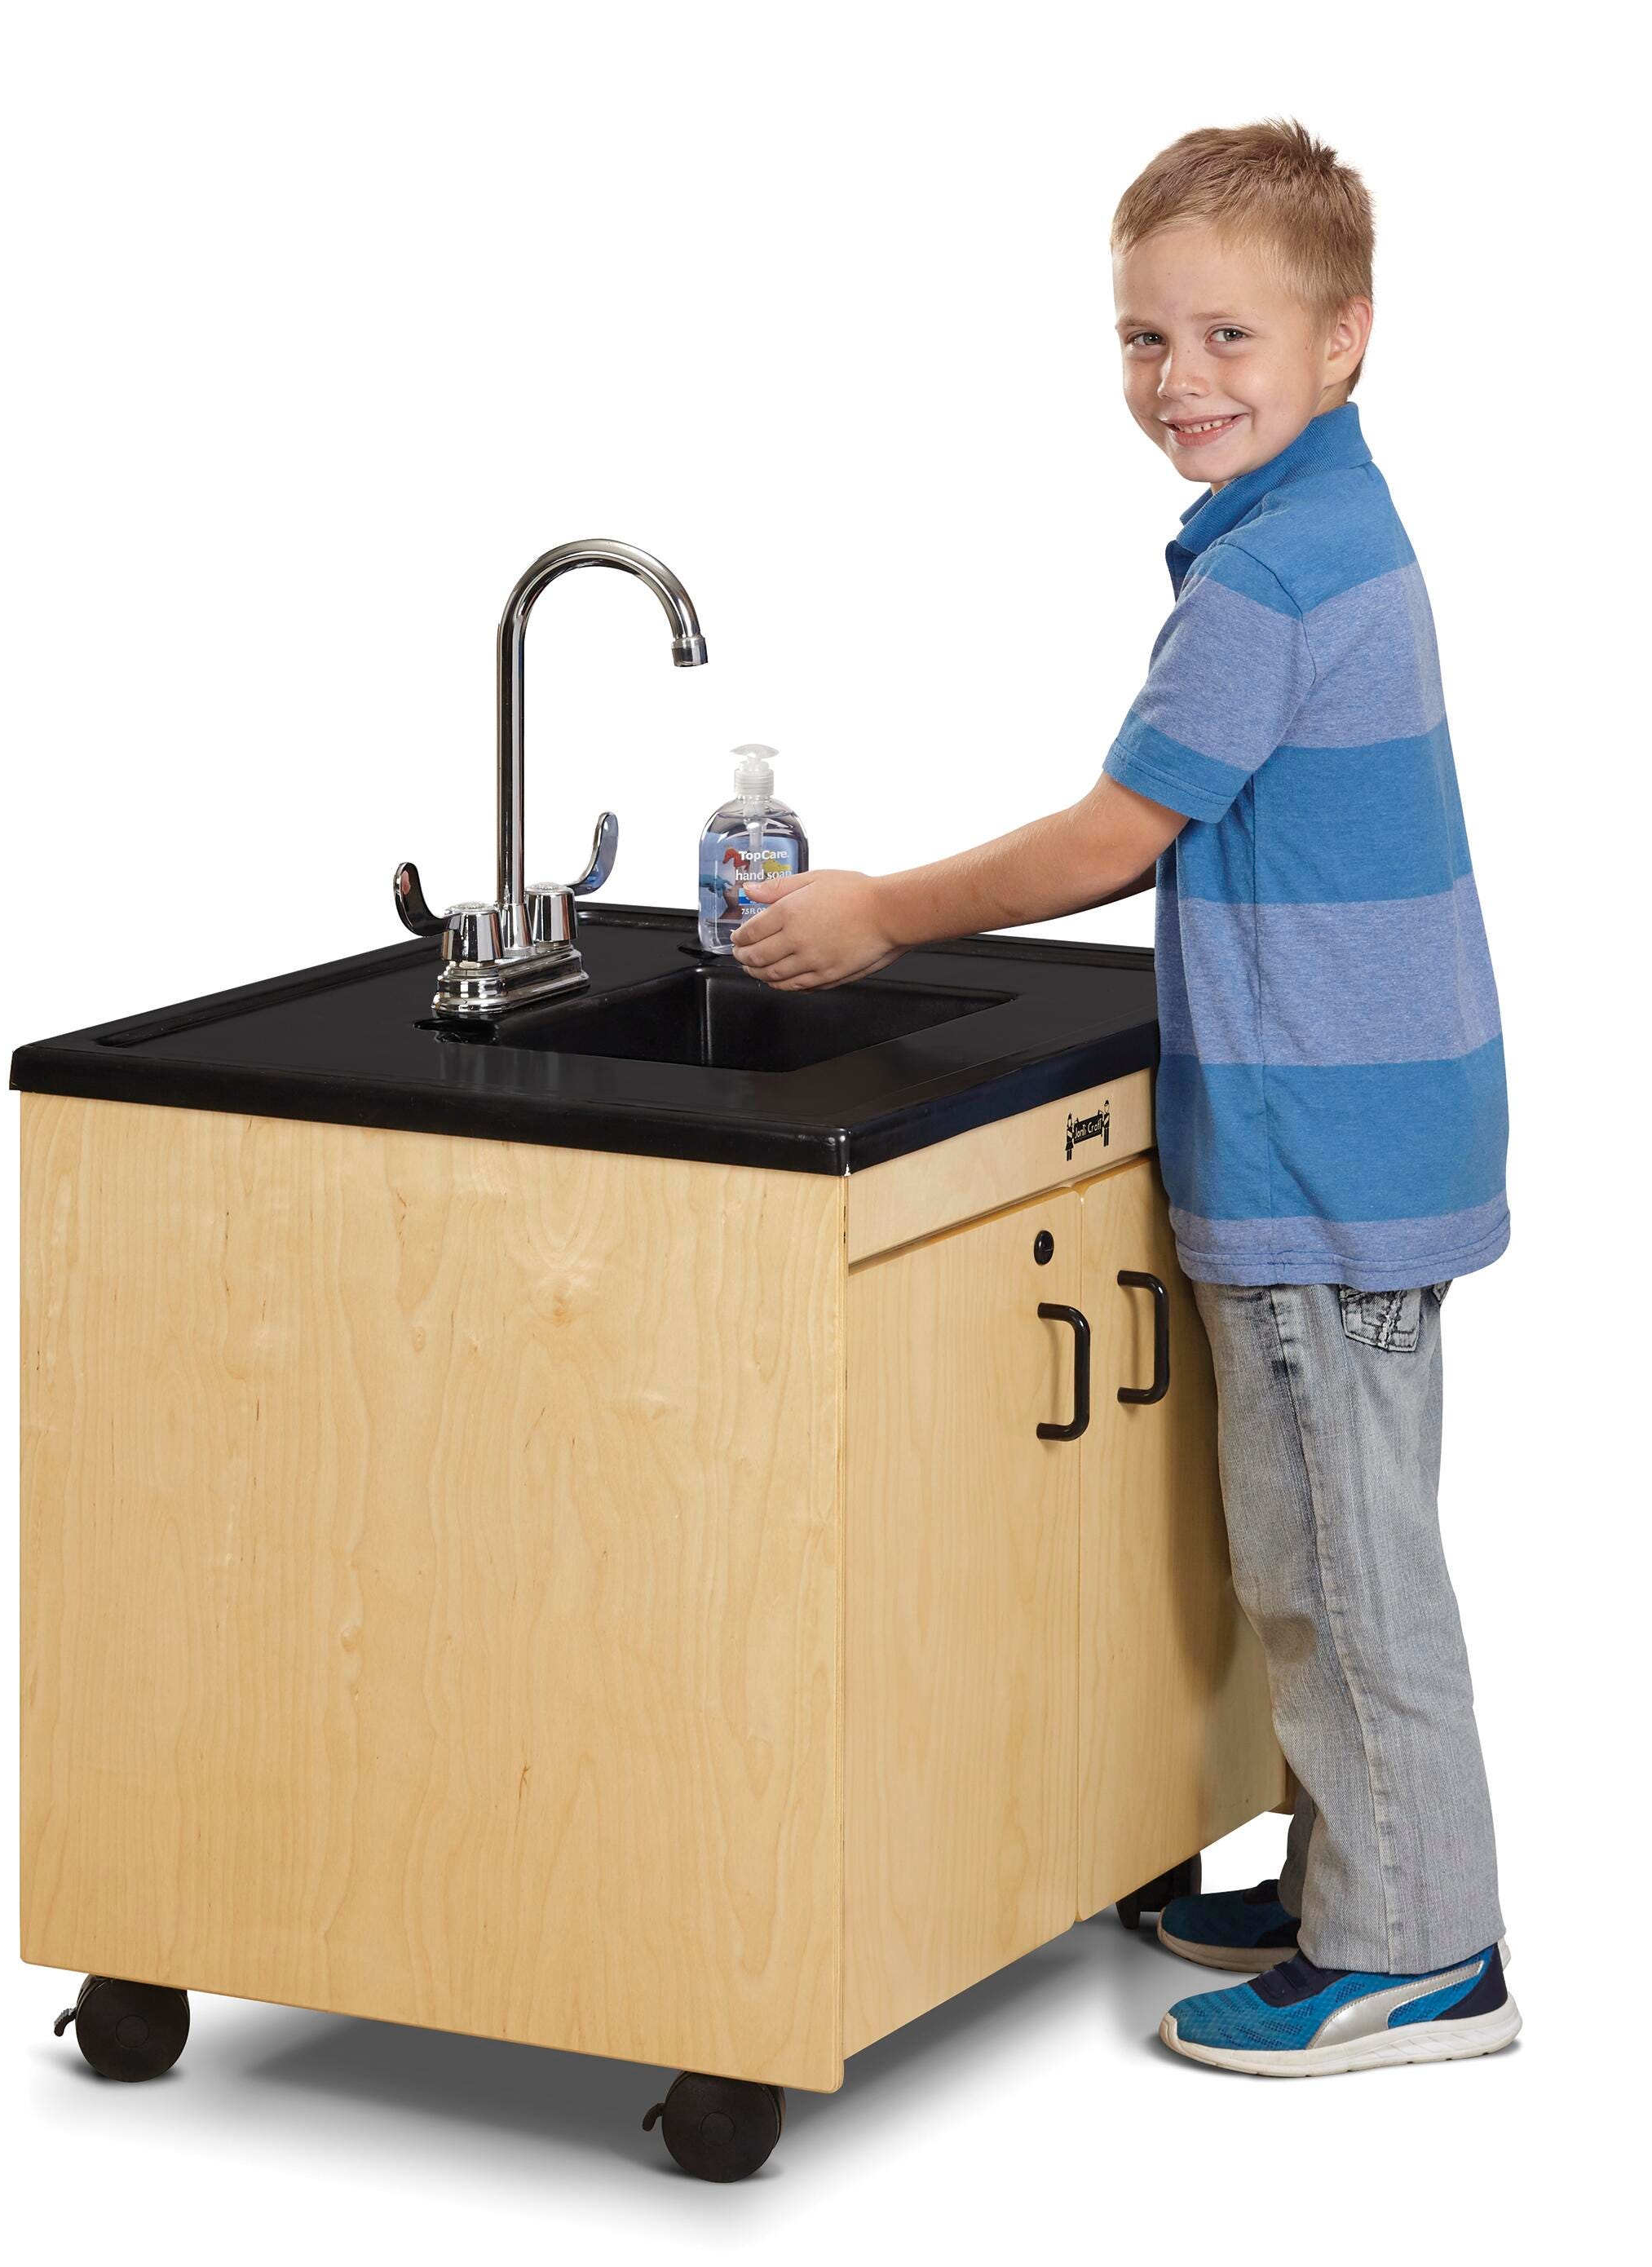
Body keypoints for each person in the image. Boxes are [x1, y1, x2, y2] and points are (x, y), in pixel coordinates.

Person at [731, 118, 1519, 2078]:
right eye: (1145, 339)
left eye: (1228, 336)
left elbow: (1115, 834)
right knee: (1336, 1544)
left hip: (1321, 1155)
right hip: (1373, 1128)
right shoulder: (1324, 522)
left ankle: (1421, 1951)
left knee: (1342, 1570)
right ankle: (1355, 1882)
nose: (1181, 380)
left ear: (1345, 336)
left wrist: (877, 914)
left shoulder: (1272, 575)